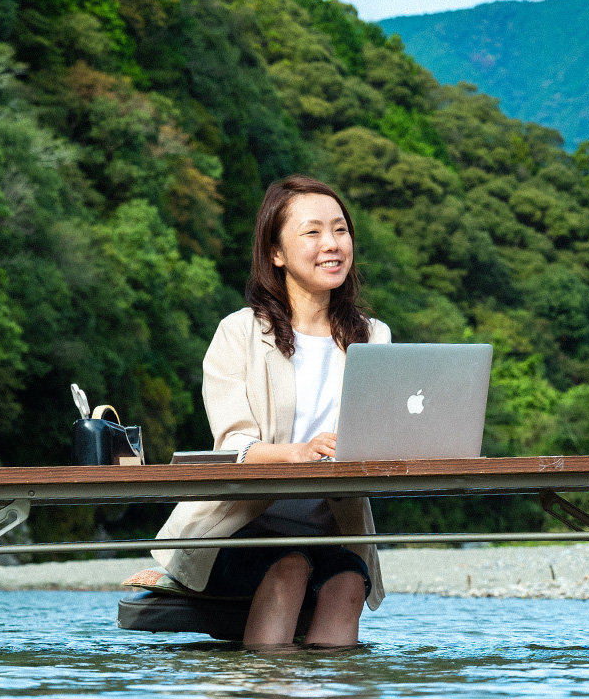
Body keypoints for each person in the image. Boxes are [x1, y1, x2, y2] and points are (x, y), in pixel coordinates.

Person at [122, 176, 391, 647]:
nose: (332, 244)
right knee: (288, 569)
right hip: (238, 527)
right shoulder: (239, 333)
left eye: (341, 230)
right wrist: (300, 453)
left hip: (328, 530)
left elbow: (383, 433)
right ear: (276, 253)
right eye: (313, 232)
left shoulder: (374, 336)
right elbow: (234, 445)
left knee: (348, 580)